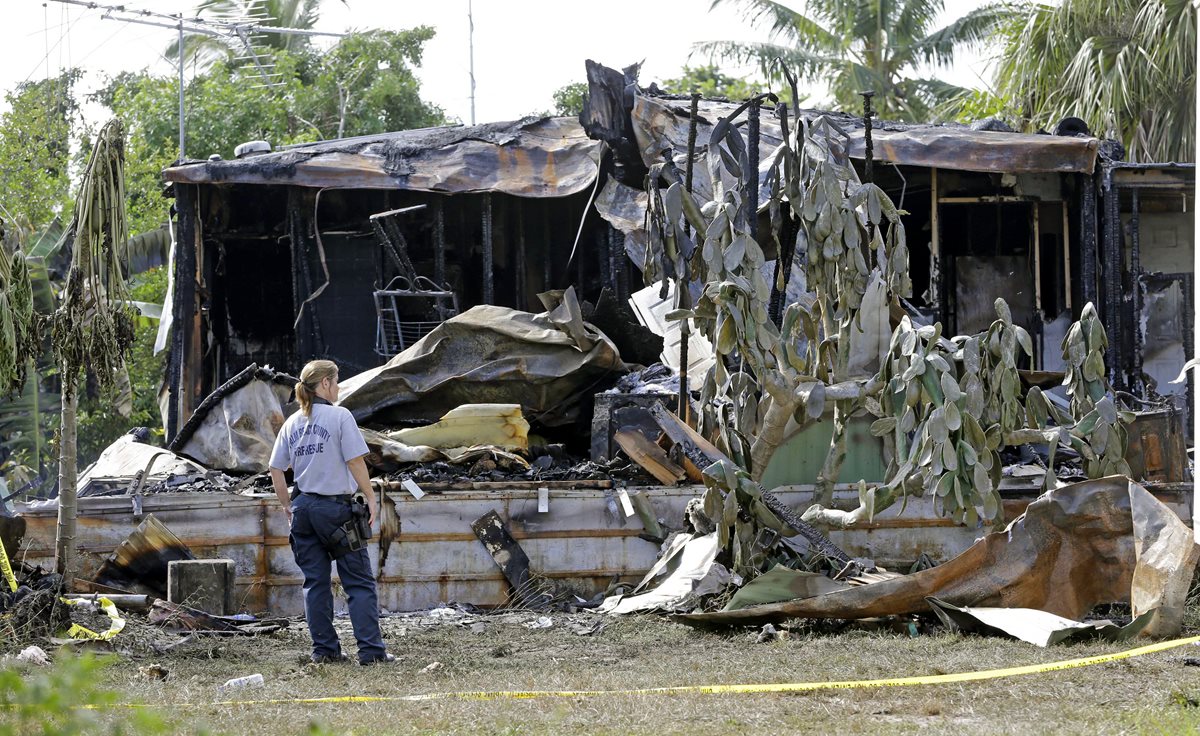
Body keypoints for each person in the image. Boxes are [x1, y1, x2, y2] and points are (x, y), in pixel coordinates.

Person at [268, 359, 393, 665]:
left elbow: (275, 468)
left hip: (303, 510)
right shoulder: (340, 416)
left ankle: (325, 651)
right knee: (359, 583)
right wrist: (370, 496)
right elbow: (354, 461)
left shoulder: (292, 423)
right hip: (336, 511)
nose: (338, 387)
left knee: (315, 583)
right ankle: (371, 653)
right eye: (336, 381)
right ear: (324, 384)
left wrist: (287, 505)